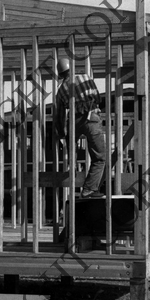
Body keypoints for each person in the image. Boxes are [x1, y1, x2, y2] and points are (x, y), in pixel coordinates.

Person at [53, 57, 105, 199]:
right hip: (90, 117)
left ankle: (73, 166)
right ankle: (89, 189)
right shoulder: (85, 78)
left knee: (72, 153)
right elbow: (98, 98)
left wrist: (62, 133)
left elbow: (59, 116)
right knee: (99, 158)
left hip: (73, 122)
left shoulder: (60, 90)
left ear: (60, 74)